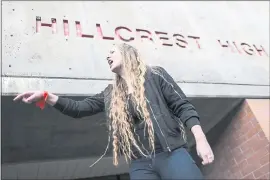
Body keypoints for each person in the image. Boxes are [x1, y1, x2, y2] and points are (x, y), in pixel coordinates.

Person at [14, 43, 214, 179]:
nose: (107, 56)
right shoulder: (110, 93)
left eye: (112, 52)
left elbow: (182, 106)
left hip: (171, 153)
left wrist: (200, 139)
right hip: (140, 163)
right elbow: (79, 108)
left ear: (127, 53)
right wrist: (47, 96)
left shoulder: (155, 75)